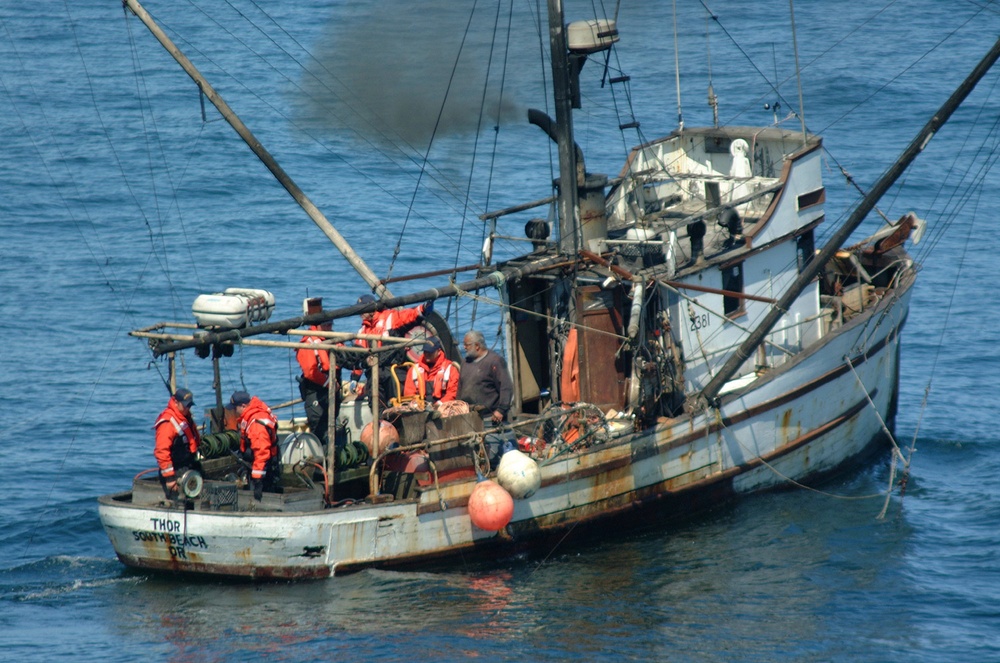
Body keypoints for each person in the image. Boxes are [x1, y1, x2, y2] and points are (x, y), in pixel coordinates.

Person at [353, 294, 435, 403]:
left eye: (362, 310)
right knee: (377, 405)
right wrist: (354, 379)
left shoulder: (390, 318)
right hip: (373, 375)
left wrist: (423, 308)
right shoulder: (362, 331)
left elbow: (408, 315)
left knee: (397, 404)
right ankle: (380, 418)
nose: (360, 313)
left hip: (393, 371)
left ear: (371, 308)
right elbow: (359, 355)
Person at [296, 297, 337, 444]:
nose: (329, 327)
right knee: (320, 428)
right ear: (317, 326)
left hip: (330, 391)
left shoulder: (333, 339)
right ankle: (321, 461)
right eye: (326, 324)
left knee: (332, 423)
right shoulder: (308, 343)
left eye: (330, 324)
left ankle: (332, 456)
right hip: (316, 393)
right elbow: (310, 372)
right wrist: (328, 383)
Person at [230, 390, 280, 501]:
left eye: (234, 408)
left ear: (243, 406)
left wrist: (258, 481)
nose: (233, 411)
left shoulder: (256, 425)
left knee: (264, 497)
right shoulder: (253, 413)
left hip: (264, 466)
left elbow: (262, 453)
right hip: (259, 461)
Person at [457, 330, 513, 426]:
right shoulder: (465, 362)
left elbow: (506, 387)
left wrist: (501, 410)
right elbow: (460, 387)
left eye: (467, 345)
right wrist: (457, 406)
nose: (464, 347)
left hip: (489, 418)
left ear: (477, 346)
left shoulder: (495, 361)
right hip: (468, 416)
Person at [153, 387, 202, 499]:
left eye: (189, 405)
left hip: (188, 465)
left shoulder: (185, 418)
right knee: (180, 501)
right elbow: (162, 451)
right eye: (185, 405)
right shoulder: (168, 423)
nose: (188, 408)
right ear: (176, 402)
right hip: (176, 470)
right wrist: (170, 478)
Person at [403, 336, 459, 404]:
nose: (427, 354)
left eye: (430, 352)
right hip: (420, 408)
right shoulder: (414, 370)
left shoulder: (450, 369)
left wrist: (440, 404)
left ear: (438, 351)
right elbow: (409, 392)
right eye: (425, 351)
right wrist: (417, 405)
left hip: (443, 407)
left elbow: (453, 392)